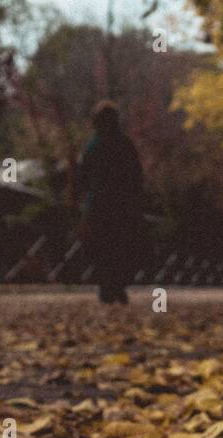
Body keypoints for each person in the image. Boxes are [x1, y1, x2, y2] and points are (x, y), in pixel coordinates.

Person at [75, 101, 147, 305]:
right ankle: (118, 285)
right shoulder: (125, 144)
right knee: (121, 245)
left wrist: (81, 199)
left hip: (98, 203)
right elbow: (136, 175)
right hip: (122, 203)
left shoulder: (93, 146)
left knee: (101, 246)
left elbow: (83, 176)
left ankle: (106, 285)